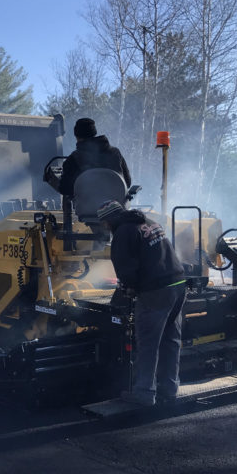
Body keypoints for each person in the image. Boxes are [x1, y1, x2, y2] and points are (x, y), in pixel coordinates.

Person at [97, 199, 187, 407]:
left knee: (148, 344)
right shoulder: (148, 221)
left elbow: (126, 270)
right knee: (170, 340)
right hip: (179, 283)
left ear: (109, 221)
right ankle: (170, 389)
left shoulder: (123, 233)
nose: (104, 228)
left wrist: (130, 288)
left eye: (103, 223)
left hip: (156, 291)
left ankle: (144, 394)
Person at [56, 118, 132, 197]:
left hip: (87, 207)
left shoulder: (73, 159)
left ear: (77, 136)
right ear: (94, 133)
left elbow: (64, 189)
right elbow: (127, 182)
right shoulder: (115, 152)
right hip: (117, 205)